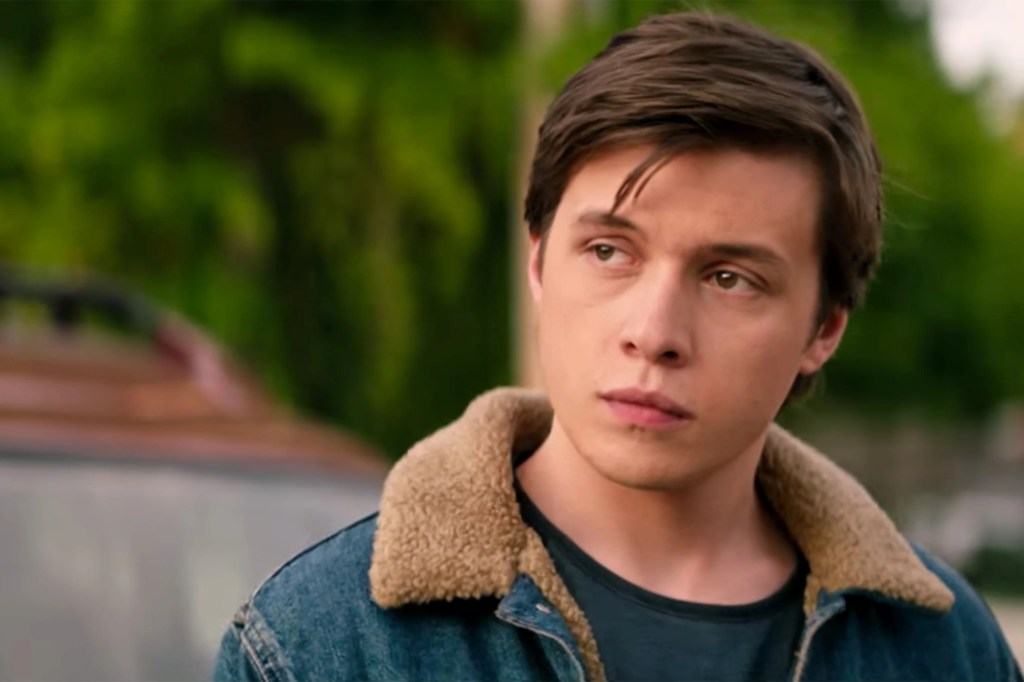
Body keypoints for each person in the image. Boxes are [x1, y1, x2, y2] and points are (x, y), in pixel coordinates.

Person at [214, 11, 1022, 682]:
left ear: (824, 330)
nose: (654, 332)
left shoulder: (944, 651)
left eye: (730, 278)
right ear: (538, 263)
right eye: (609, 251)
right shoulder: (323, 644)